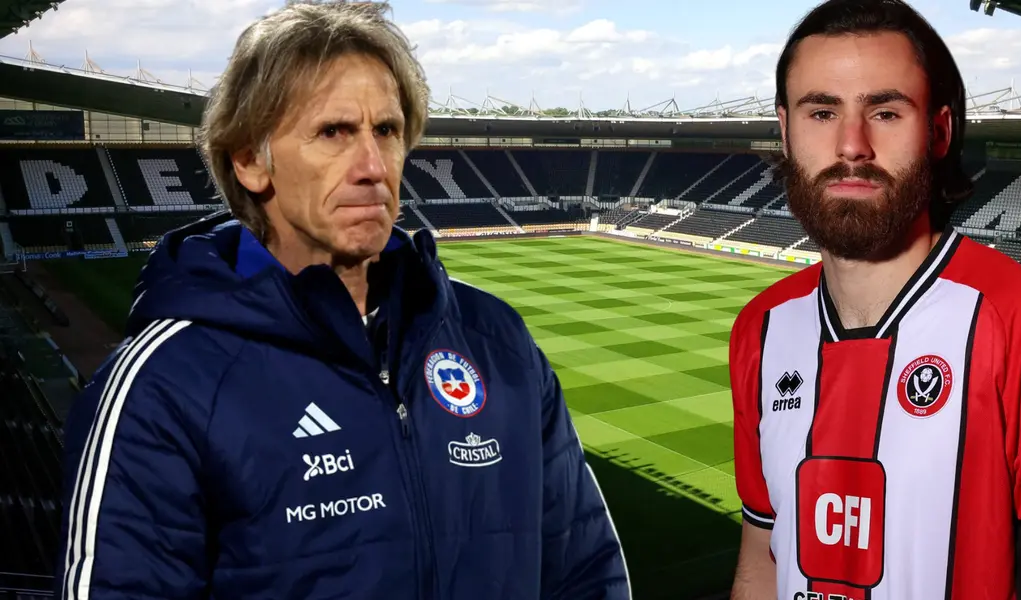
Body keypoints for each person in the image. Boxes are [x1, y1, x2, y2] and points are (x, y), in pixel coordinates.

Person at [53, 4, 629, 599]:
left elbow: (586, 575)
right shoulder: (163, 386)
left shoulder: (497, 339)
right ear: (249, 160)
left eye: (387, 130)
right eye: (334, 132)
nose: (373, 167)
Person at [728, 1, 1021, 599]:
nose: (852, 145)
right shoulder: (759, 329)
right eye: (822, 111)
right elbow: (761, 562)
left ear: (939, 130)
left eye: (886, 111)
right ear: (785, 130)